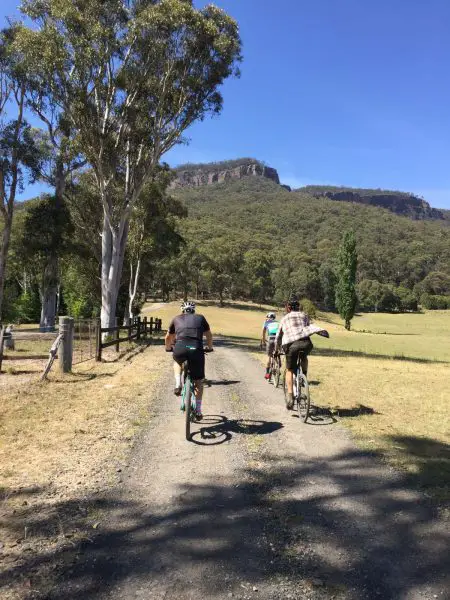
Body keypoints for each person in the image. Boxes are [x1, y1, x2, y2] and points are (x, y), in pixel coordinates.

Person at [165, 301, 213, 420]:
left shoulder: (176, 318)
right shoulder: (201, 318)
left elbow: (168, 337)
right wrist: (210, 347)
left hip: (180, 347)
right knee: (198, 382)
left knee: (177, 361)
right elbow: (209, 335)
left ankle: (177, 383)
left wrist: (168, 347)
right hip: (196, 348)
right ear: (193, 310)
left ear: (182, 310)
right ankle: (198, 410)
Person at [275, 297, 313, 409]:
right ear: (298, 307)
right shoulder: (304, 315)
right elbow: (308, 329)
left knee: (290, 370)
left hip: (291, 345)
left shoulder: (284, 318)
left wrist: (277, 349)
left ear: (288, 308)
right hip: (306, 343)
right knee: (304, 356)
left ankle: (290, 396)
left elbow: (278, 336)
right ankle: (303, 376)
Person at [260, 312, 279, 379]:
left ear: (267, 317)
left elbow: (263, 332)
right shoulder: (278, 323)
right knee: (277, 354)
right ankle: (277, 366)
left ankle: (267, 373)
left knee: (269, 356)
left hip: (270, 339)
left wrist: (263, 341)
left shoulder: (266, 322)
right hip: (278, 340)